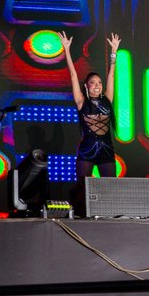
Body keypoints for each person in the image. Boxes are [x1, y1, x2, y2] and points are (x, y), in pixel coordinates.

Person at [60, 31, 121, 214]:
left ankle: (109, 215)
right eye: (93, 83)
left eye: (99, 83)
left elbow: (111, 75)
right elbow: (73, 75)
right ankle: (80, 215)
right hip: (87, 150)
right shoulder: (82, 102)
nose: (97, 85)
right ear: (86, 86)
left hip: (106, 150)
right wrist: (66, 50)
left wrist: (114, 52)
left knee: (111, 187)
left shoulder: (107, 100)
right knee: (82, 188)